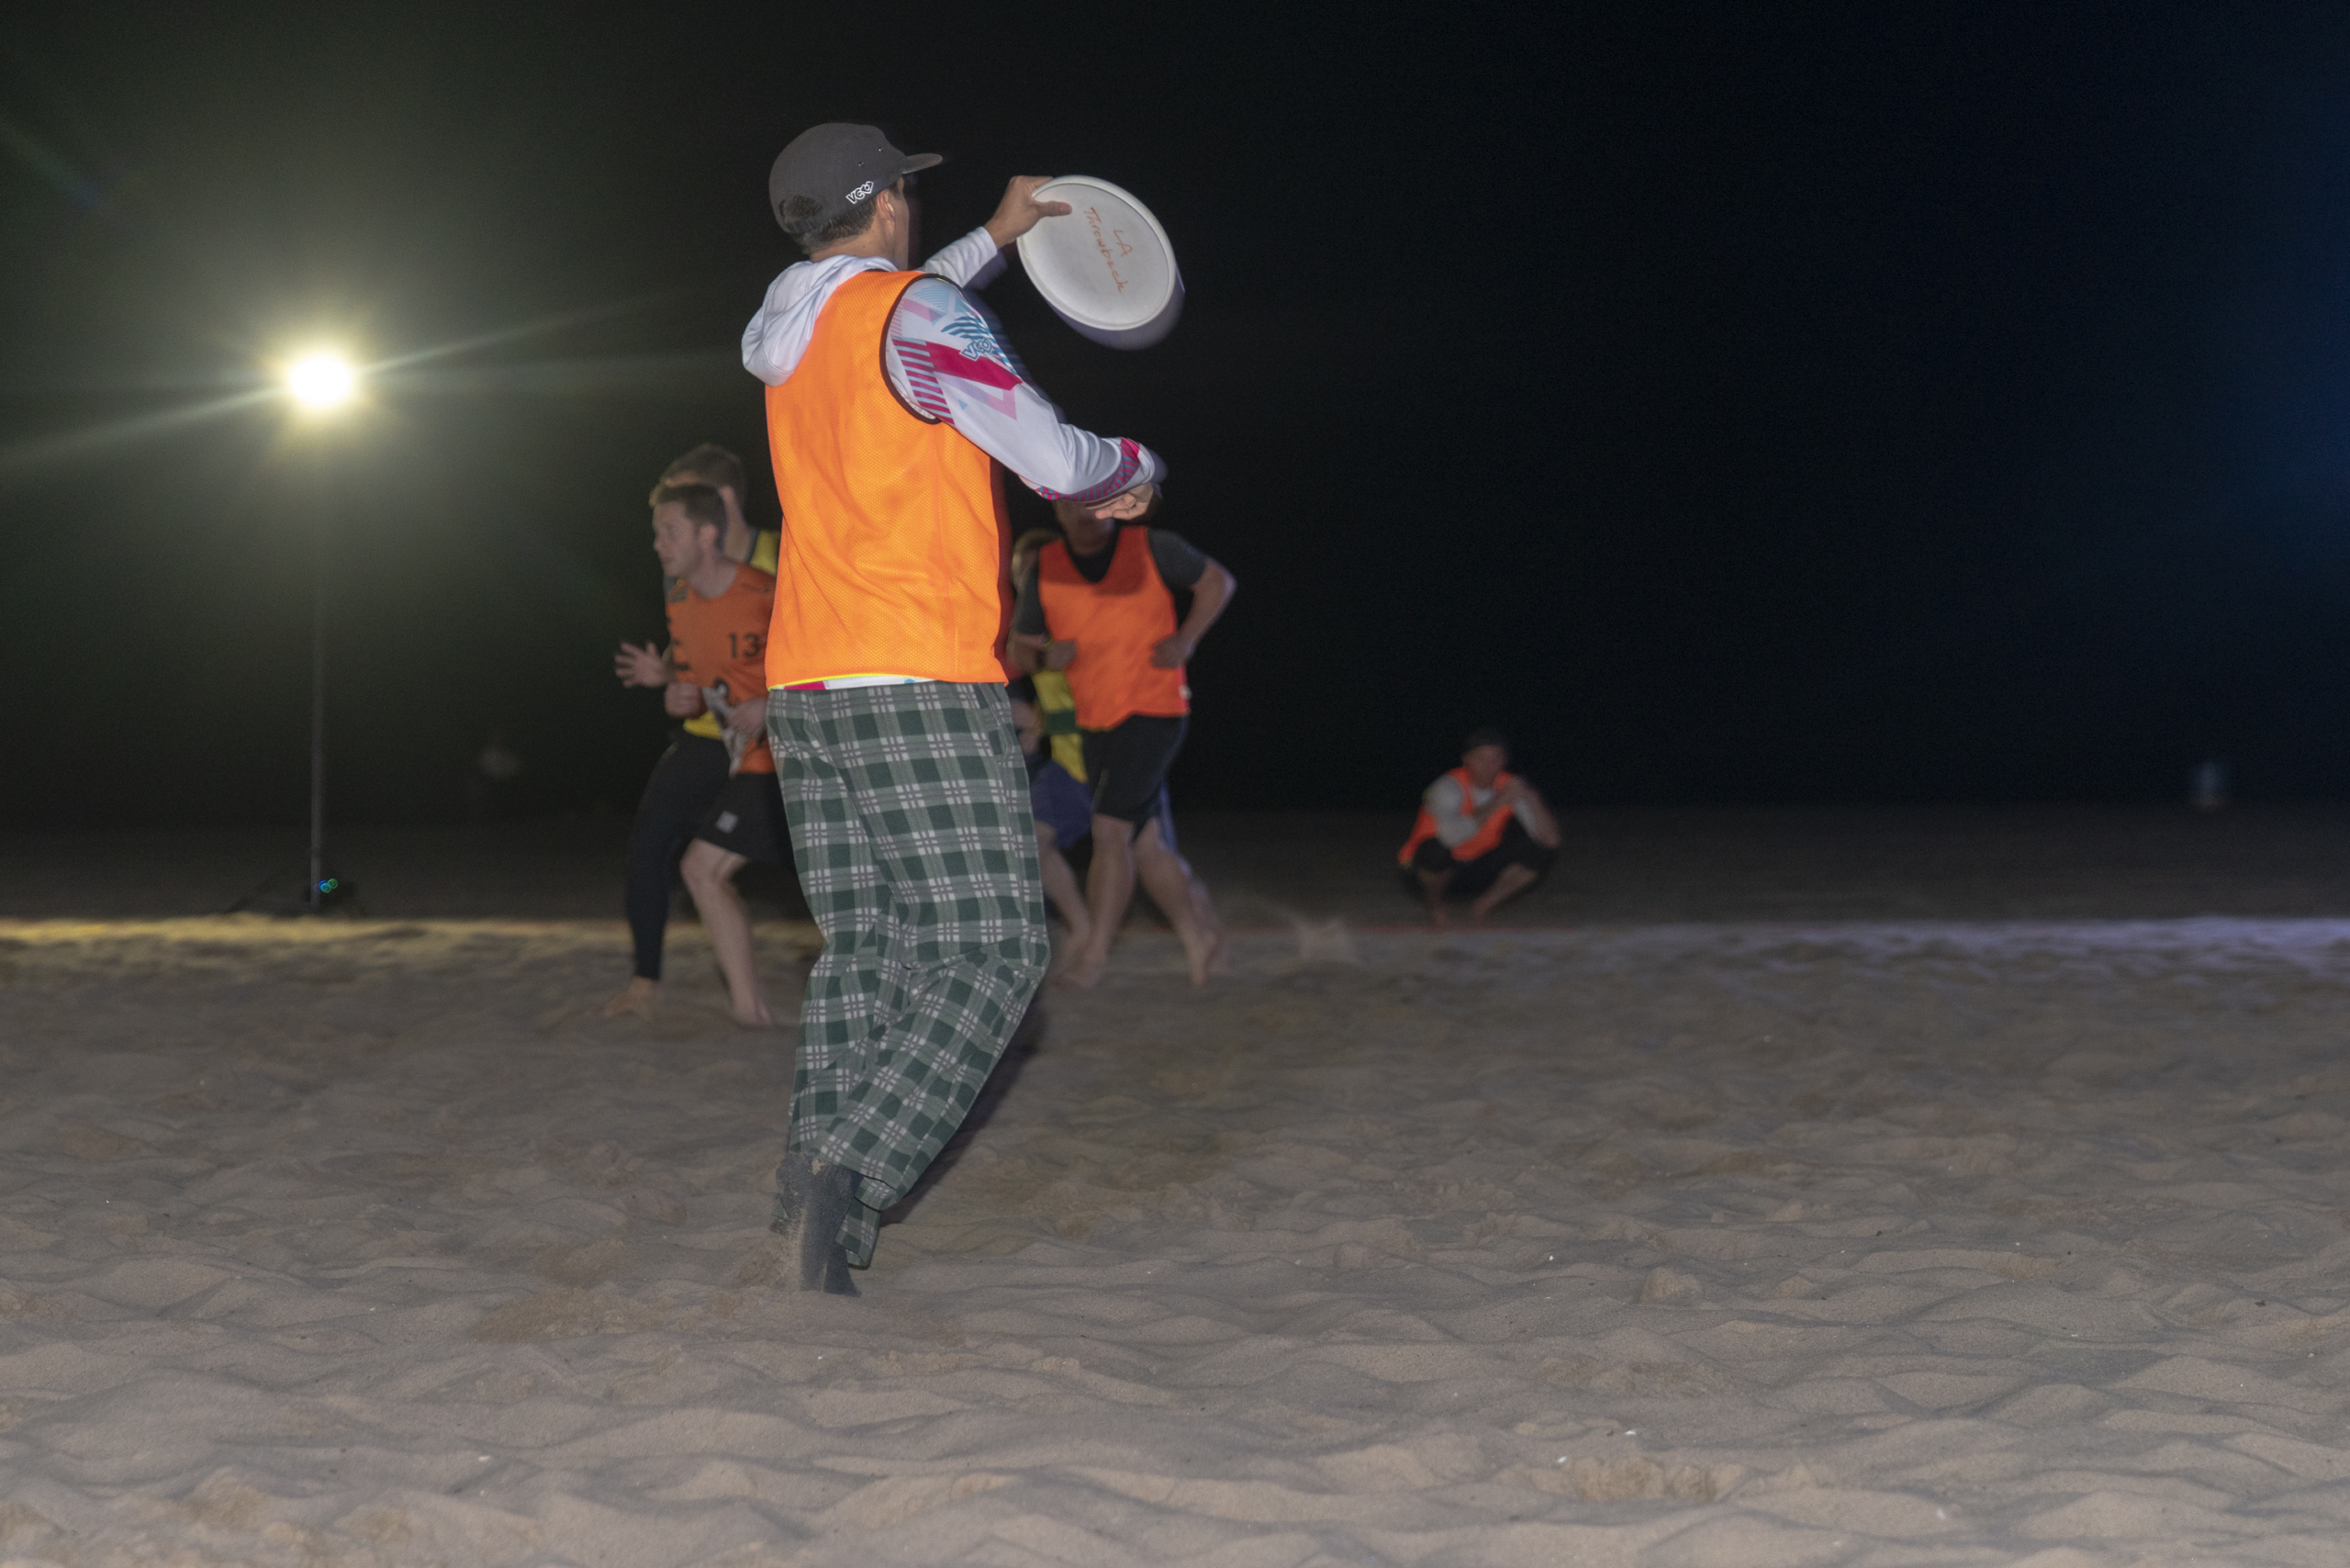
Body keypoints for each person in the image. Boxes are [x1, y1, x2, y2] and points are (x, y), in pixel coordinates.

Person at [746, 122, 1163, 1294]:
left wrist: (997, 235)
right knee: (993, 949)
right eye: (906, 196)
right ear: (886, 202)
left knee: (867, 949)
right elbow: (1054, 459)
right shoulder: (916, 314)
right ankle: (854, 1172)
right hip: (917, 670)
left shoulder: (790, 320)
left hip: (806, 679)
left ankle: (806, 1196)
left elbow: (891, 310)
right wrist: (1132, 466)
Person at [1010, 497, 1236, 988]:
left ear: (1114, 506)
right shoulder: (1045, 570)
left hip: (1155, 711)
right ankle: (1200, 938)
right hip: (1094, 724)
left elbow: (1218, 581)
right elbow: (1019, 649)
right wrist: (1044, 658)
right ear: (1057, 513)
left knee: (1110, 832)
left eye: (1093, 504)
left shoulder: (1153, 547)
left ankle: (1093, 957)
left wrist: (1188, 638)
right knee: (1147, 845)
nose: (1084, 515)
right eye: (1072, 507)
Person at [606, 485, 791, 1024]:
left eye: (670, 531)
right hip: (740, 755)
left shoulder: (766, 593)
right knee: (696, 866)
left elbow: (827, 666)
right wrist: (676, 693)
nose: (658, 544)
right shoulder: (681, 600)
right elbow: (695, 683)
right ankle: (746, 1010)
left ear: (708, 534)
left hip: (786, 753)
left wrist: (771, 702)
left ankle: (752, 1009)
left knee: (706, 869)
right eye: (656, 533)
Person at [1398, 727, 1561, 925]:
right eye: (1481, 759)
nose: (1489, 766)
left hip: (1477, 868)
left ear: (1505, 761)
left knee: (1539, 851)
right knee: (1434, 851)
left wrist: (1530, 796)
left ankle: (1483, 906)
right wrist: (1497, 801)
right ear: (1466, 760)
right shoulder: (1446, 788)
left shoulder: (1510, 786)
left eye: (1496, 759)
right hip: (1425, 874)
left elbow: (1551, 841)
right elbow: (1449, 838)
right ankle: (1437, 907)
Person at [1008, 676, 1094, 950]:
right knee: (1032, 841)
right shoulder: (1036, 657)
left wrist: (1039, 723)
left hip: (1100, 760)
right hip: (1065, 764)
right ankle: (1082, 929)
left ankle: (1201, 935)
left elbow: (1101, 712)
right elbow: (1052, 691)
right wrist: (1037, 722)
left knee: (1149, 852)